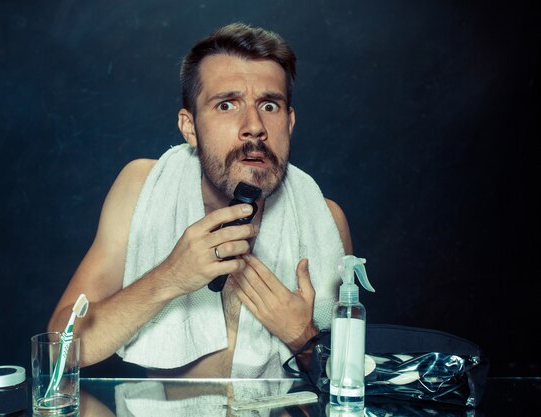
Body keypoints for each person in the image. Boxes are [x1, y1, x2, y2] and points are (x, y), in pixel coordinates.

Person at [48, 22, 352, 378]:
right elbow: (59, 350)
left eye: (269, 105)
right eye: (227, 105)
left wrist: (302, 337)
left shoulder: (326, 220)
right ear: (189, 127)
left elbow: (352, 383)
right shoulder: (141, 187)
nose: (254, 126)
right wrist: (170, 277)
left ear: (289, 122)